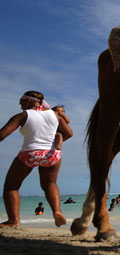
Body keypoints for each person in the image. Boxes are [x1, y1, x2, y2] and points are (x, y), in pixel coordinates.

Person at [0, 91, 73, 227]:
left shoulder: (23, 115)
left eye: (21, 101)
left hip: (30, 154)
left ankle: (13, 221)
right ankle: (57, 212)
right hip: (52, 154)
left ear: (29, 101)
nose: (19, 104)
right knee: (50, 184)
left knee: (11, 186)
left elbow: (2, 135)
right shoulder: (55, 115)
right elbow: (69, 133)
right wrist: (57, 140)